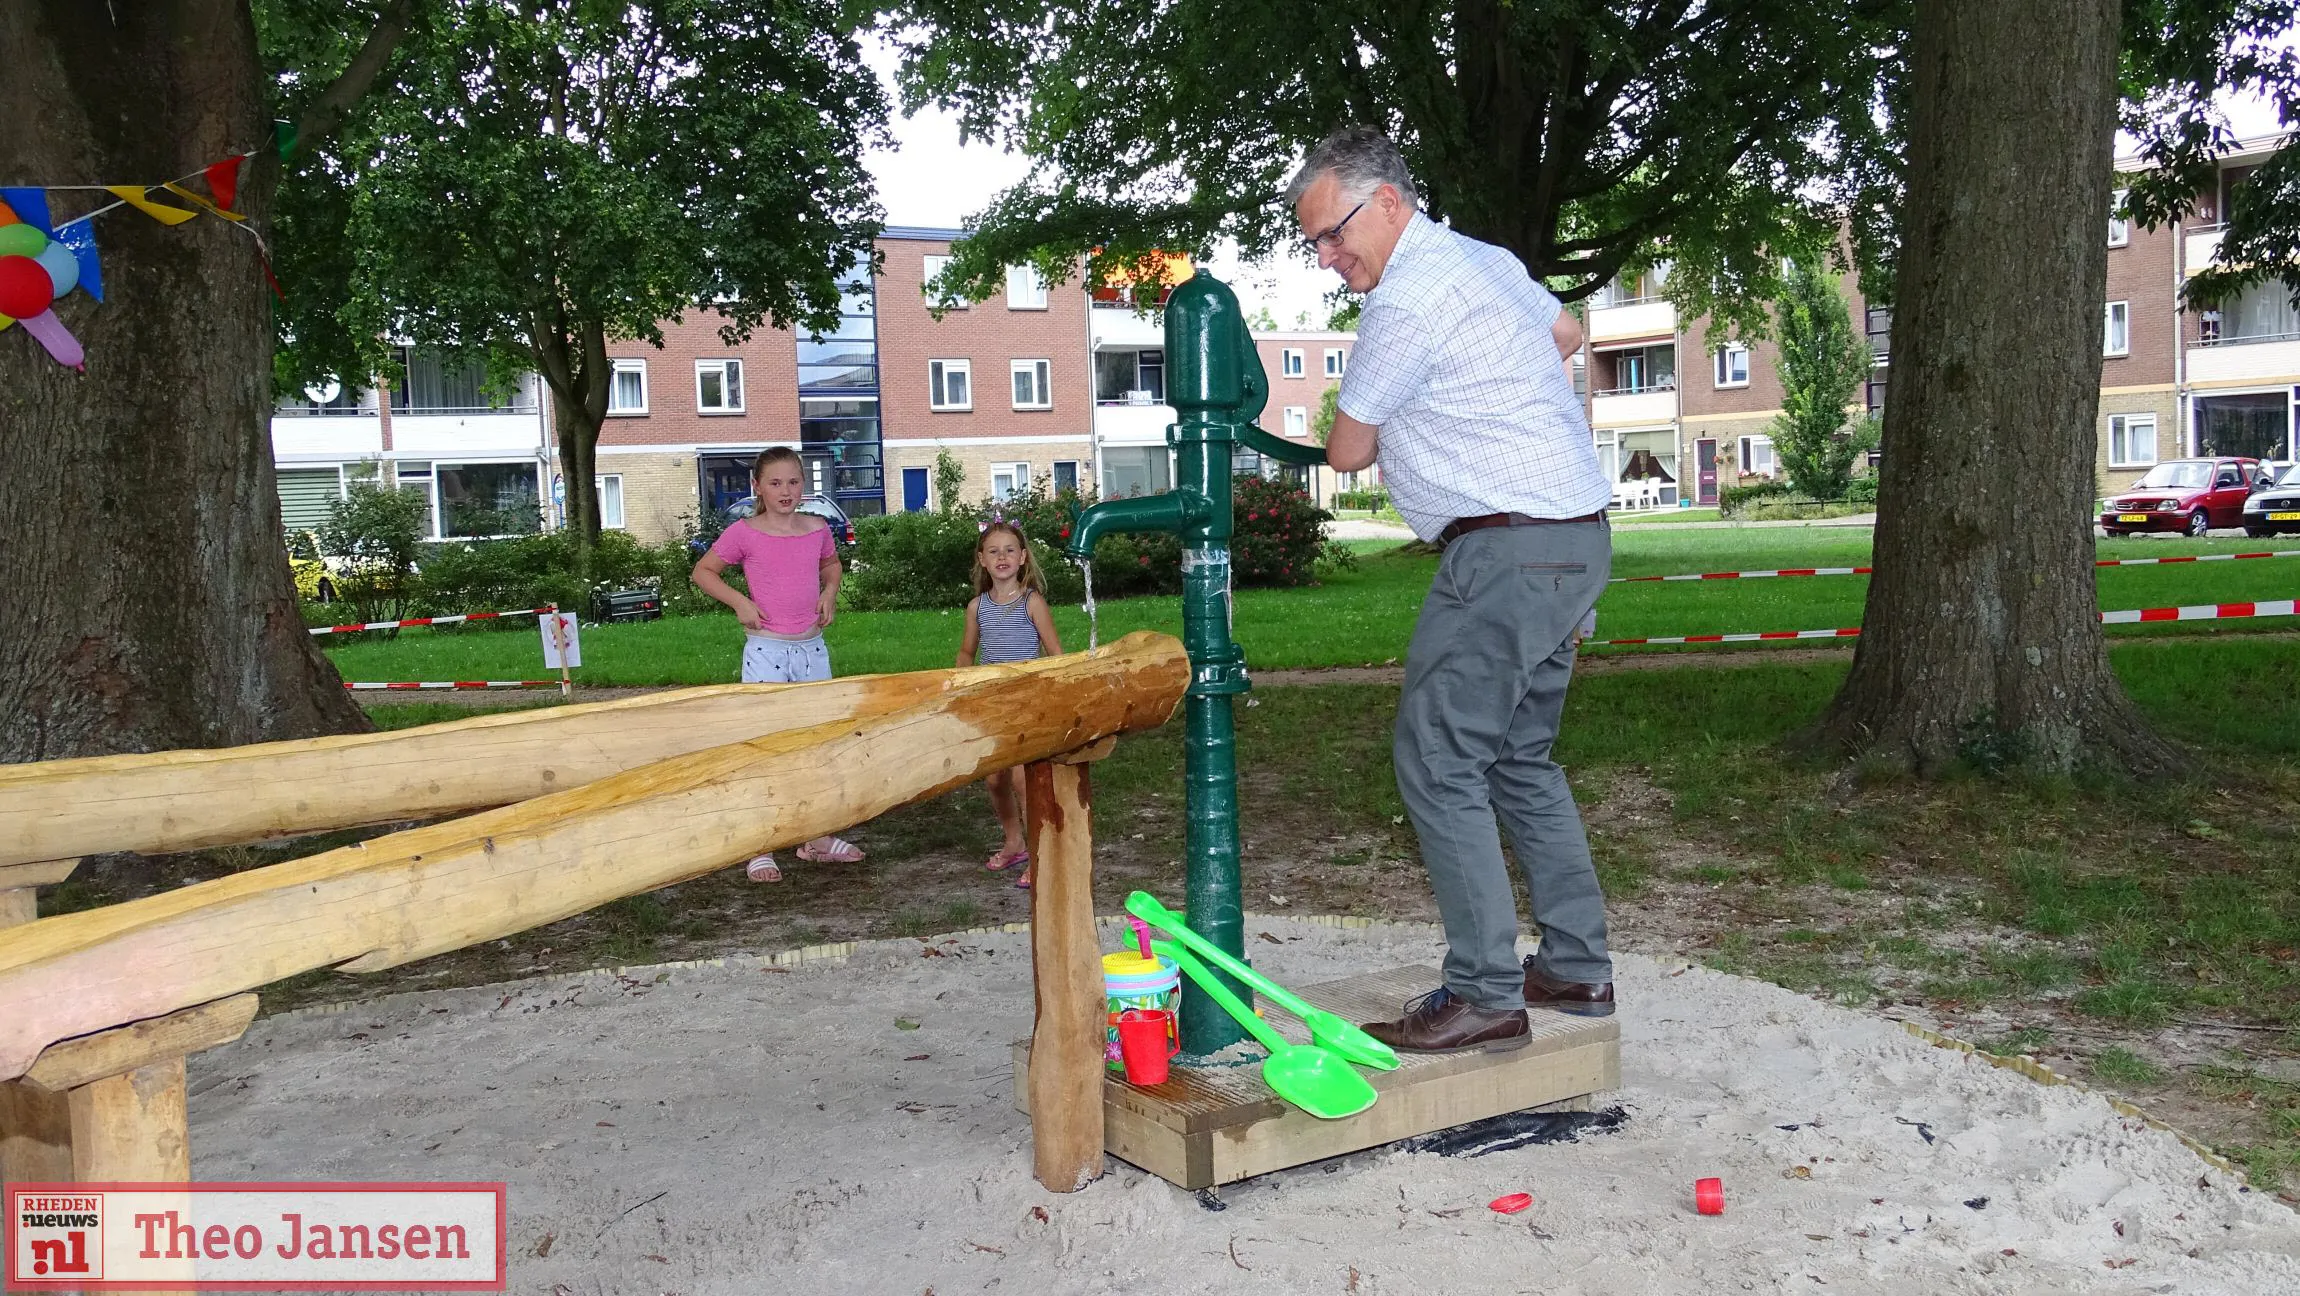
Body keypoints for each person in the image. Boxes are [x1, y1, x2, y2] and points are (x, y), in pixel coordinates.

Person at [1286, 126, 1617, 1053]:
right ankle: (1575, 966)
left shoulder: (1404, 301)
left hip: (1505, 551)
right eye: (1312, 241)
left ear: (1387, 203)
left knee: (1439, 762)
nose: (1325, 255)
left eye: (1333, 232)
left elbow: (1347, 451)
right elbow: (1565, 333)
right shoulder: (1484, 260)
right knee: (1519, 758)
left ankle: (1483, 992)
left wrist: (1419, 424)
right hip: (1572, 538)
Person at [690, 447, 866, 882]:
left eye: (793, 482)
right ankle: (760, 845)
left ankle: (817, 837)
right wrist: (740, 603)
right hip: (767, 649)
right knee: (767, 746)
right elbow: (703, 572)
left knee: (818, 746)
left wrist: (829, 594)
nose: (785, 491)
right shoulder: (744, 533)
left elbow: (831, 564)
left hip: (812, 650)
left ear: (803, 484)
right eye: (775, 483)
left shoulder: (818, 528)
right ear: (758, 487)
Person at [955, 520, 1063, 889]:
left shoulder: (1032, 602)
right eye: (994, 551)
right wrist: (960, 686)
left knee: (1021, 778)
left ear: (1023, 558)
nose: (1002, 556)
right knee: (994, 778)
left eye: (1010, 550)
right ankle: (1014, 840)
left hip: (1026, 700)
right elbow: (967, 651)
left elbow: (1055, 652)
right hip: (992, 701)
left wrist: (1053, 692)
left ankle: (1040, 854)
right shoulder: (977, 607)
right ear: (982, 560)